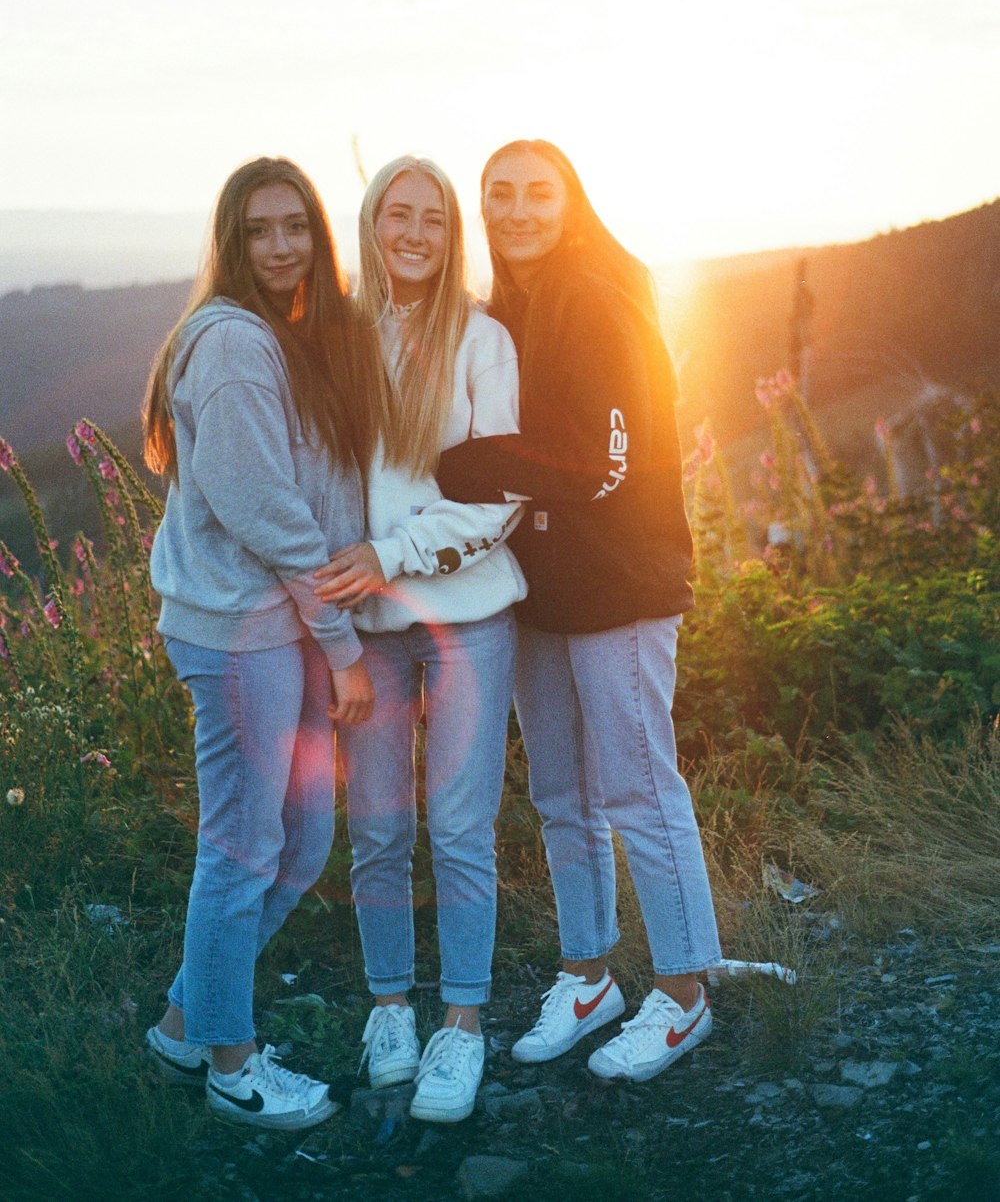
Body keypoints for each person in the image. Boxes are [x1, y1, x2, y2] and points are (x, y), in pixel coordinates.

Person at [437, 139, 721, 1083]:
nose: (517, 211)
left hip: (621, 584)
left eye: (538, 194)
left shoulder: (597, 289)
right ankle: (588, 974)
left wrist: (480, 466)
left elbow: (608, 462)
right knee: (563, 795)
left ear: (572, 203)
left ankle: (684, 996)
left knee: (640, 790)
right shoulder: (514, 304)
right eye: (500, 195)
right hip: (543, 586)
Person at [142, 156, 384, 1131]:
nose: (281, 247)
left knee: (298, 840)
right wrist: (343, 642)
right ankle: (233, 1066)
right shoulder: (237, 344)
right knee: (245, 849)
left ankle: (181, 1027)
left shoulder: (279, 336)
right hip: (244, 635)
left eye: (296, 228)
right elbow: (268, 513)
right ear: (232, 242)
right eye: (259, 230)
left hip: (266, 631)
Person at [313, 155, 525, 1123]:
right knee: (381, 828)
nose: (413, 231)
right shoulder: (328, 341)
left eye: (432, 218)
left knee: (457, 826)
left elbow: (501, 494)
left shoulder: (481, 339)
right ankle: (390, 1006)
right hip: (367, 628)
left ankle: (462, 1025)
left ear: (450, 236)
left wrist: (390, 550)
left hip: (468, 615)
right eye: (396, 213)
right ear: (369, 222)